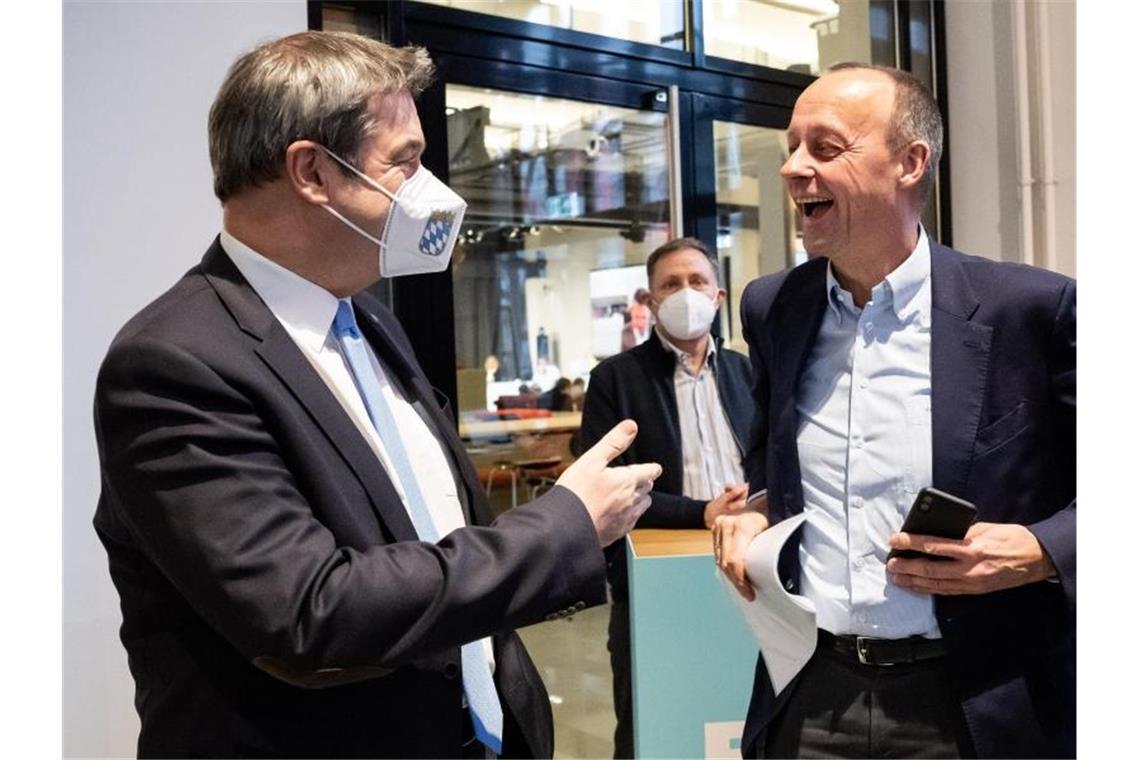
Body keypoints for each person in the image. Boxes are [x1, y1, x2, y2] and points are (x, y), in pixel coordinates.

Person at [92, 31, 661, 759]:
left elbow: (430, 531)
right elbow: (312, 611)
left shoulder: (369, 321)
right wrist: (562, 525)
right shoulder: (175, 361)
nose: (430, 190)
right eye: (406, 161)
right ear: (311, 172)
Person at [715, 63, 1075, 758]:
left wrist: (1041, 552)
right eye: (791, 147)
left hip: (977, 703)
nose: (792, 169)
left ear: (910, 163)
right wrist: (756, 507)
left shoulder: (1030, 311)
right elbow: (770, 455)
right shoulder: (772, 308)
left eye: (824, 147)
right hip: (809, 694)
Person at [580, 238, 757, 758]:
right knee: (652, 726)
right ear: (650, 300)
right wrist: (700, 512)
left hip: (746, 570)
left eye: (698, 281)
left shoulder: (748, 373)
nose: (686, 293)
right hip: (654, 582)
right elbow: (606, 488)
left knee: (739, 713)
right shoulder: (615, 380)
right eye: (670, 284)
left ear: (719, 295)